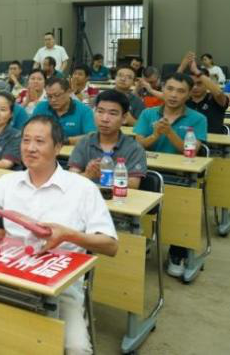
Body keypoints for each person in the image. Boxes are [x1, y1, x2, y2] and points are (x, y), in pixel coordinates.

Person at [0, 116, 118, 354]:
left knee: (76, 348)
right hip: (8, 276)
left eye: (39, 141)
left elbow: (110, 245)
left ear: (58, 147)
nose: (30, 148)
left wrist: (68, 235)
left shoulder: (82, 188)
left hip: (60, 285)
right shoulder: (9, 182)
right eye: (26, 140)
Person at [133, 72, 207, 278]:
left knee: (182, 206)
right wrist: (156, 134)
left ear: (189, 94)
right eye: (170, 89)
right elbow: (138, 145)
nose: (174, 95)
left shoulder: (198, 119)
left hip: (180, 176)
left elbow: (190, 150)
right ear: (162, 90)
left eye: (181, 91)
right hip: (147, 173)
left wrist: (169, 132)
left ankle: (178, 251)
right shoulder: (148, 114)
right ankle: (141, 238)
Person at [68, 90, 146, 188]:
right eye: (100, 111)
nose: (104, 119)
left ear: (124, 118)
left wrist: (105, 176)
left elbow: (133, 184)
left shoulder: (134, 148)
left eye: (112, 114)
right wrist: (88, 175)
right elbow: (71, 178)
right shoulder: (84, 142)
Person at [31, 77, 96, 144]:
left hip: (74, 150)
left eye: (57, 95)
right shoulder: (41, 108)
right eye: (49, 96)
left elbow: (92, 137)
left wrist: (66, 141)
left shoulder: (84, 111)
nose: (53, 100)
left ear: (68, 92)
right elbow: (29, 131)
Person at [187, 66, 229, 134]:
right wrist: (182, 66)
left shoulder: (215, 99)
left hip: (213, 140)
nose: (195, 87)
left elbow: (218, 94)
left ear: (207, 83)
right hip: (187, 139)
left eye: (199, 83)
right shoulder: (184, 100)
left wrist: (199, 73)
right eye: (192, 84)